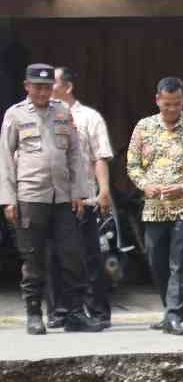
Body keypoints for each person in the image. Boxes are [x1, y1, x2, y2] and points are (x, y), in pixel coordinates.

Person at [0, 64, 103, 334]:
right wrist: (8, 199)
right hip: (30, 196)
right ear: (27, 86)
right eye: (38, 87)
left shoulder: (62, 112)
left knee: (72, 256)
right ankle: (34, 313)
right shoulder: (15, 115)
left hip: (63, 199)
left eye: (47, 87)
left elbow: (75, 155)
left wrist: (79, 192)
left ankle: (74, 314)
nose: (43, 92)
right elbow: (5, 160)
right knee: (32, 259)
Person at [126, 76, 183, 336]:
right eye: (167, 104)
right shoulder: (143, 128)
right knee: (155, 260)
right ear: (157, 100)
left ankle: (175, 314)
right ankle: (169, 311)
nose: (172, 109)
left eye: (176, 104)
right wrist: (145, 185)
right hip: (154, 206)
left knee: (180, 262)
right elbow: (133, 165)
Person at [47, 66, 113, 328]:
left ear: (68, 87)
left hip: (84, 197)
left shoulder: (89, 117)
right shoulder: (43, 116)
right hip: (53, 198)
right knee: (54, 257)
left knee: (89, 256)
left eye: (51, 83)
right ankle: (59, 312)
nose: (46, 88)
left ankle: (97, 311)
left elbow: (100, 156)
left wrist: (104, 190)